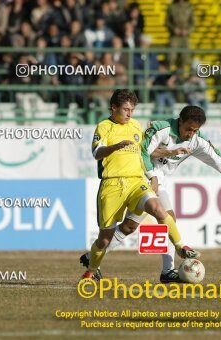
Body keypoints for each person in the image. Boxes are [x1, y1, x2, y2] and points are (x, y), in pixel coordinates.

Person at [81, 105, 221, 282]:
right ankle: (168, 270)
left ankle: (92, 257)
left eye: (195, 130)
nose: (191, 133)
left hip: (158, 183)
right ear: (180, 121)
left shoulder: (197, 140)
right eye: (188, 129)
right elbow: (142, 151)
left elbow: (220, 161)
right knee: (167, 218)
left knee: (129, 227)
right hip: (141, 178)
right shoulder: (162, 129)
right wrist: (155, 172)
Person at [81, 90, 201, 281]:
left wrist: (155, 171)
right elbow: (97, 153)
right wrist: (115, 147)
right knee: (104, 239)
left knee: (158, 209)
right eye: (126, 109)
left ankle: (181, 247)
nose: (129, 114)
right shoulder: (104, 127)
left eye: (132, 109)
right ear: (113, 108)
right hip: (112, 185)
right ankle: (91, 270)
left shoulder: (136, 126)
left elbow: (146, 152)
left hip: (136, 181)